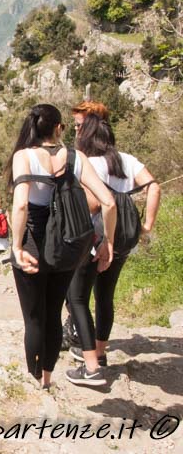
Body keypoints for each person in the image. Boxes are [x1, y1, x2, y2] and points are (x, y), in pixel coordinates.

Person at [6, 104, 116, 390]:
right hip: (67, 245)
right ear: (58, 128)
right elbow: (108, 202)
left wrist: (17, 247)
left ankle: (33, 381)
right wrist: (108, 242)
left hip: (33, 241)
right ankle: (47, 379)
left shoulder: (24, 156)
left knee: (33, 318)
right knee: (54, 313)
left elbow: (20, 204)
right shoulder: (77, 157)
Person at [64, 115, 162, 387]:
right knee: (105, 296)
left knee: (78, 298)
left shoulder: (86, 163)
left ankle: (91, 365)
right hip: (122, 239)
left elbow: (93, 204)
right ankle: (100, 351)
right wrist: (146, 225)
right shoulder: (126, 160)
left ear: (86, 136)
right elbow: (153, 187)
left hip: (94, 239)